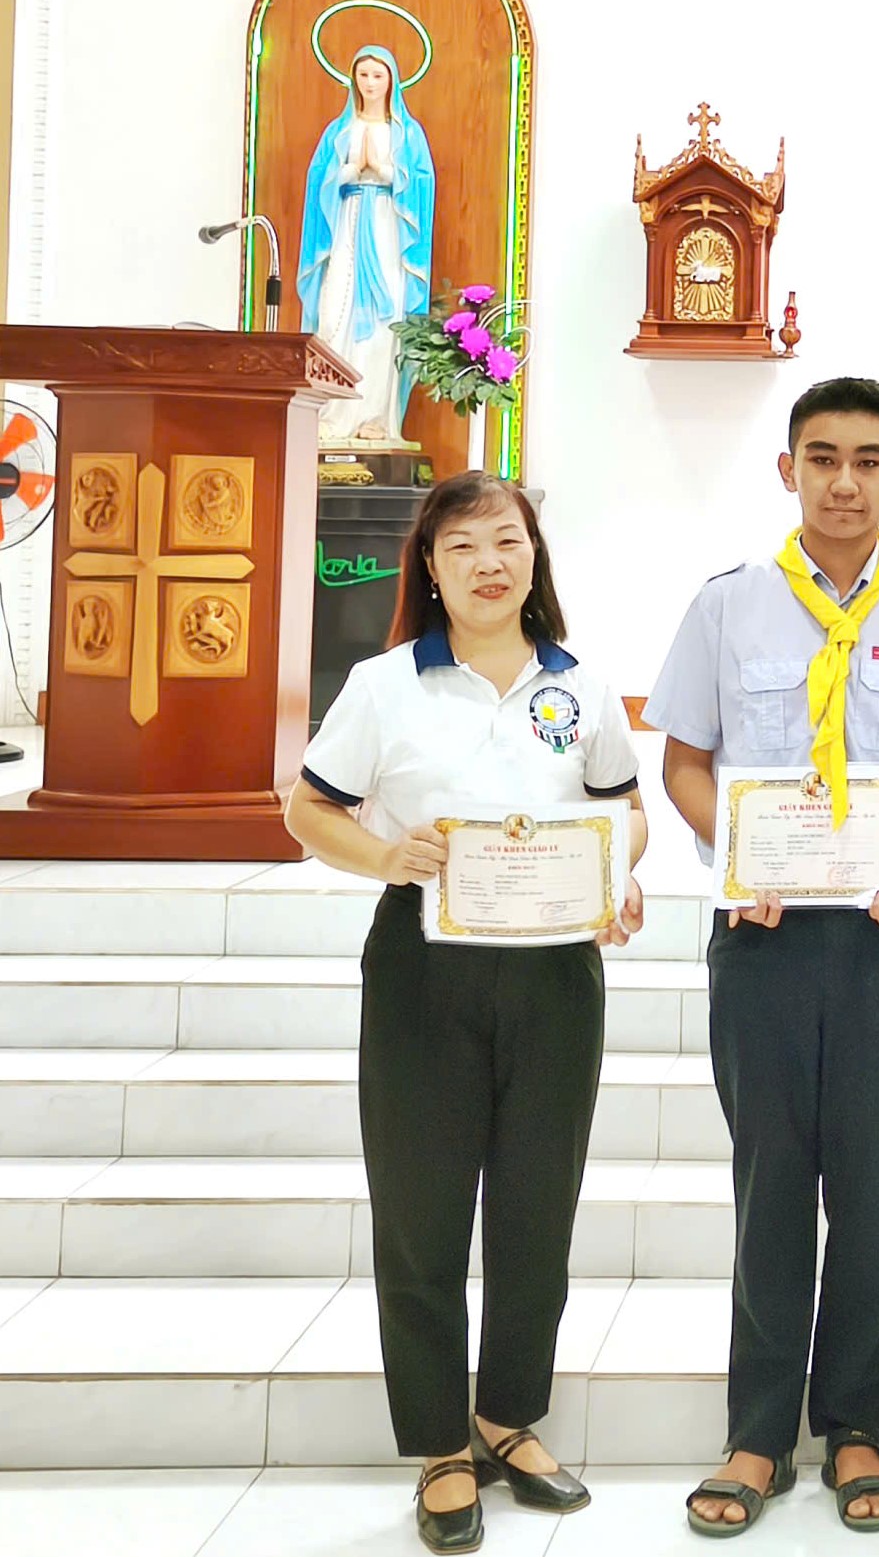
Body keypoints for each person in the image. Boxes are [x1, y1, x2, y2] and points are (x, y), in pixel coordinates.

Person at [647, 377, 879, 1538]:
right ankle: (756, 1430)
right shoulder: (729, 606)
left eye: (870, 460)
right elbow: (684, 759)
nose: (846, 482)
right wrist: (737, 857)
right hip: (765, 937)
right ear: (788, 469)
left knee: (872, 1188)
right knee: (772, 1182)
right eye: (825, 458)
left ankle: (853, 1425)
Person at [285, 471, 648, 1553]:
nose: (490, 564)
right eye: (464, 547)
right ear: (431, 569)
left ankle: (507, 1417)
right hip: (423, 969)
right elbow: (308, 808)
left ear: (535, 558)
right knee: (422, 1212)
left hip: (554, 970)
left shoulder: (582, 684)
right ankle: (442, 1442)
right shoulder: (385, 683)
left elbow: (623, 807)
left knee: (539, 1207)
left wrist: (617, 875)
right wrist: (384, 855)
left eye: (508, 542)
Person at [299, 43, 436, 443]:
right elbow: (318, 182)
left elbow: (422, 185)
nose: (371, 83)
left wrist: (386, 171)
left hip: (388, 231)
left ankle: (375, 417)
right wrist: (349, 171)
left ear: (391, 80)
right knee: (334, 315)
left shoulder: (406, 133)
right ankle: (331, 413)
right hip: (345, 228)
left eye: (378, 75)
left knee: (383, 323)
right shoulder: (339, 131)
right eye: (363, 75)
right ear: (353, 79)